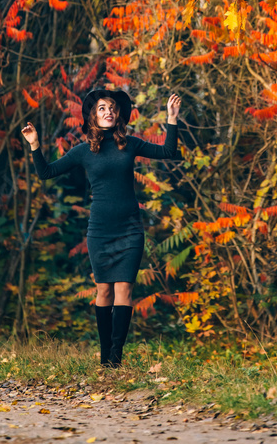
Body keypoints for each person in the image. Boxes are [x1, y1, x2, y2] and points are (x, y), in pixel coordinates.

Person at [21, 87, 181, 367]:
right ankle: (105, 356)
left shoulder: (130, 144)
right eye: (101, 108)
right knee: (103, 291)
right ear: (93, 117)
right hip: (100, 231)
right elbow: (46, 173)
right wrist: (35, 144)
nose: (108, 112)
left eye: (112, 108)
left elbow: (168, 150)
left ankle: (115, 361)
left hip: (130, 229)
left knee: (125, 291)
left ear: (119, 115)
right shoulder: (83, 151)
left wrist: (172, 118)